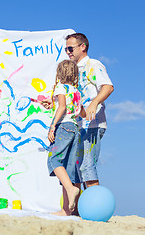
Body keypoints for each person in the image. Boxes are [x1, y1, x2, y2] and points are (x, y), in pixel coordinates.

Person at [43, 33, 114, 189]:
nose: (68, 52)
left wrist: (94, 103)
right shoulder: (74, 70)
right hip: (76, 126)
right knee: (73, 168)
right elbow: (72, 99)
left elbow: (108, 87)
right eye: (66, 49)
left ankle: (95, 209)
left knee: (87, 167)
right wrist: (53, 102)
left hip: (92, 124)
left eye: (70, 48)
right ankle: (75, 210)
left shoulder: (93, 65)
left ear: (83, 47)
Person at [47, 60, 85, 216]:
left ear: (59, 73)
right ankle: (67, 210)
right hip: (75, 128)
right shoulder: (77, 91)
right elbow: (81, 113)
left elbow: (62, 107)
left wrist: (52, 126)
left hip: (64, 127)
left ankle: (71, 189)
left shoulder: (60, 87)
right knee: (69, 168)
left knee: (53, 159)